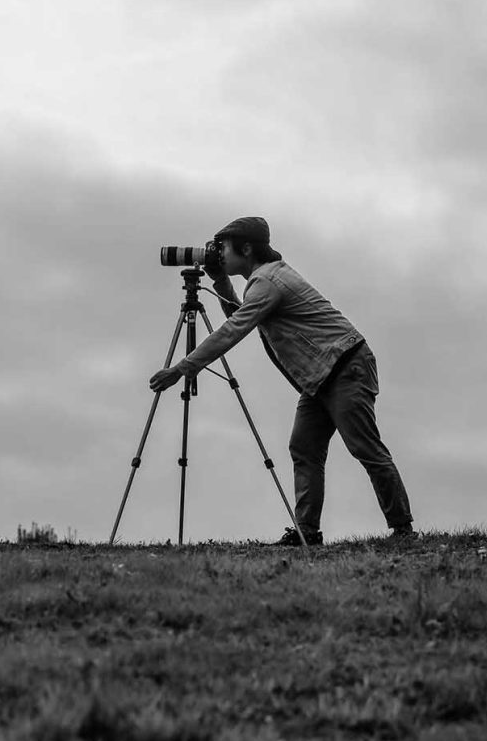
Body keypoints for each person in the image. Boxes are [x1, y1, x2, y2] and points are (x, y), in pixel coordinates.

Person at [148, 216, 414, 545]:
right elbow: (243, 316)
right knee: (304, 447)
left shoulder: (268, 282)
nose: (217, 254)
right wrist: (219, 283)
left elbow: (233, 330)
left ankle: (403, 529)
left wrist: (183, 368)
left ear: (245, 248)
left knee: (365, 447)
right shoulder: (265, 279)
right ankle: (307, 533)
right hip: (321, 376)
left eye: (223, 249)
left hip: (345, 366)